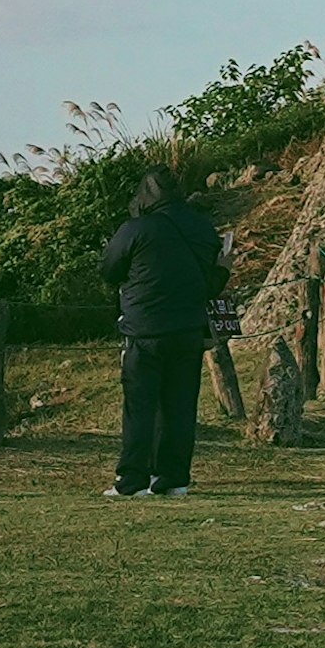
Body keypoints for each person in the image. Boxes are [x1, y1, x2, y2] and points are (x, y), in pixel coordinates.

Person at [97, 157, 222, 498]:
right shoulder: (202, 227)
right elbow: (211, 280)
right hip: (188, 331)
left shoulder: (136, 228)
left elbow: (109, 270)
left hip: (144, 331)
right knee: (180, 407)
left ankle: (132, 481)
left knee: (140, 407)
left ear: (145, 196)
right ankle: (173, 479)